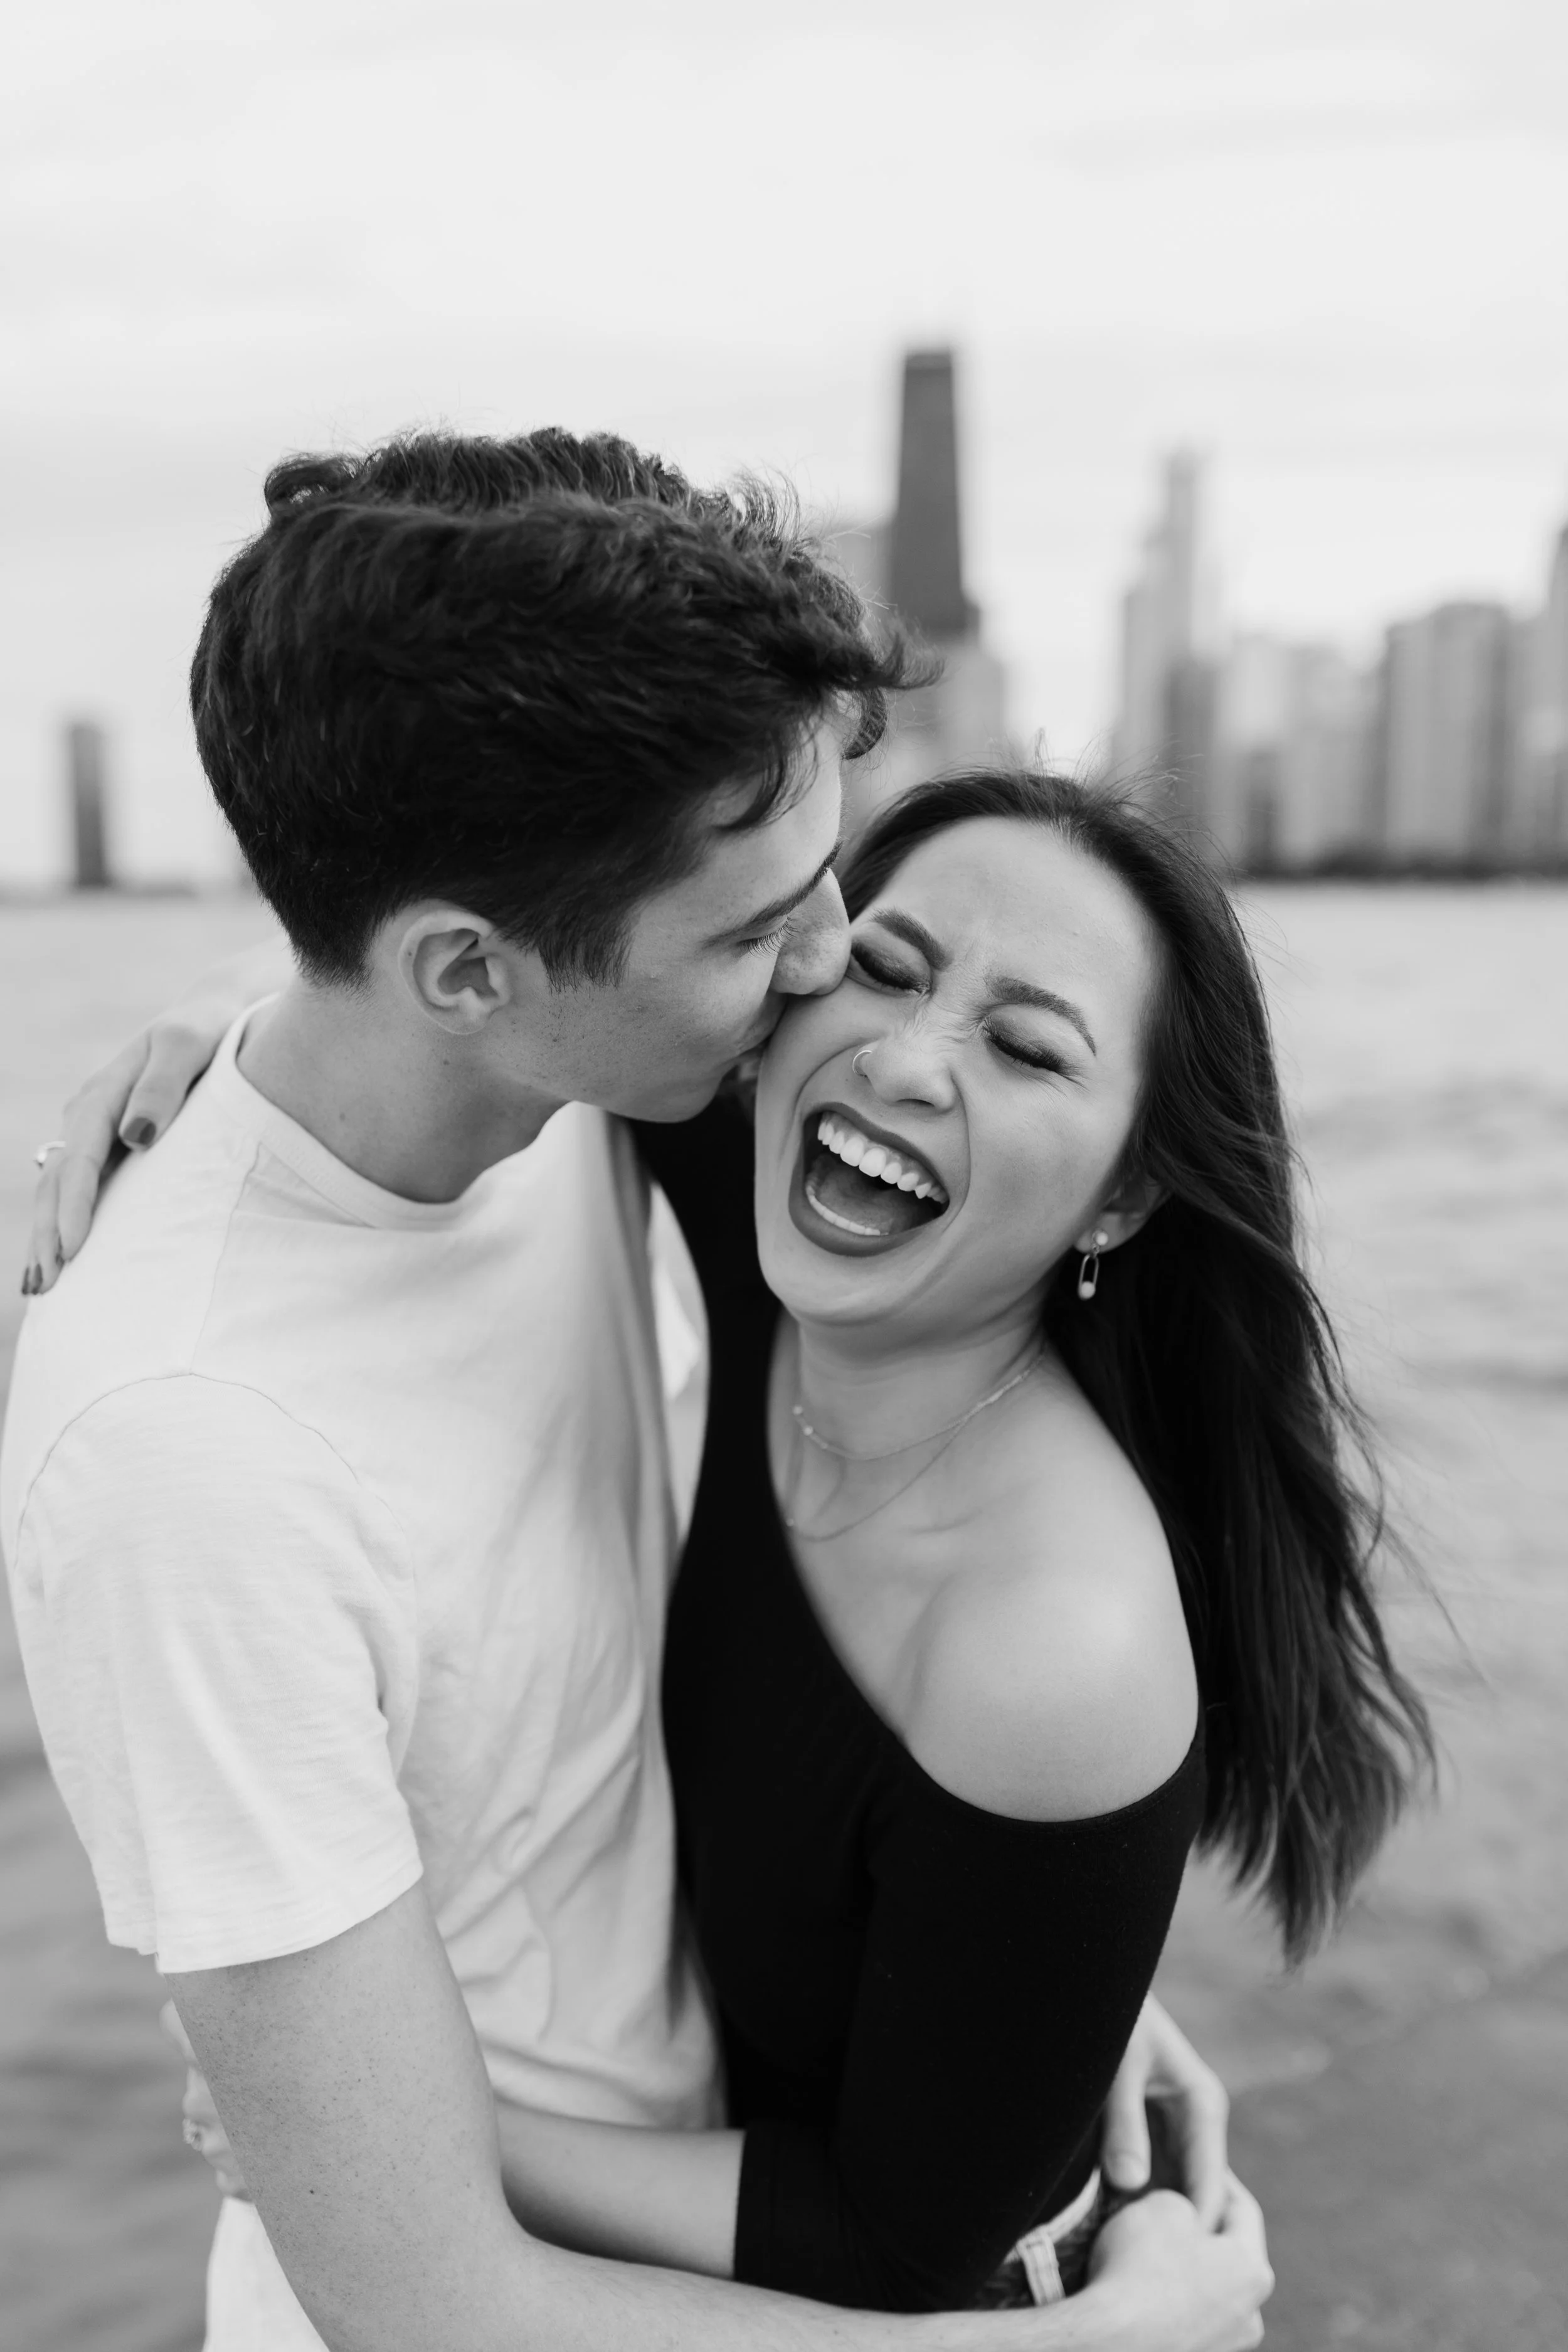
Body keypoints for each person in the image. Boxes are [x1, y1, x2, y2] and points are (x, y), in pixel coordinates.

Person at [4, 431, 1273, 2352]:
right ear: (467, 973)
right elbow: (429, 2300)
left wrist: (1030, 1957)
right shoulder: (187, 1455)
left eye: (821, 876)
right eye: (760, 933)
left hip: (746, 2196)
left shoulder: (597, 1086)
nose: (829, 970)